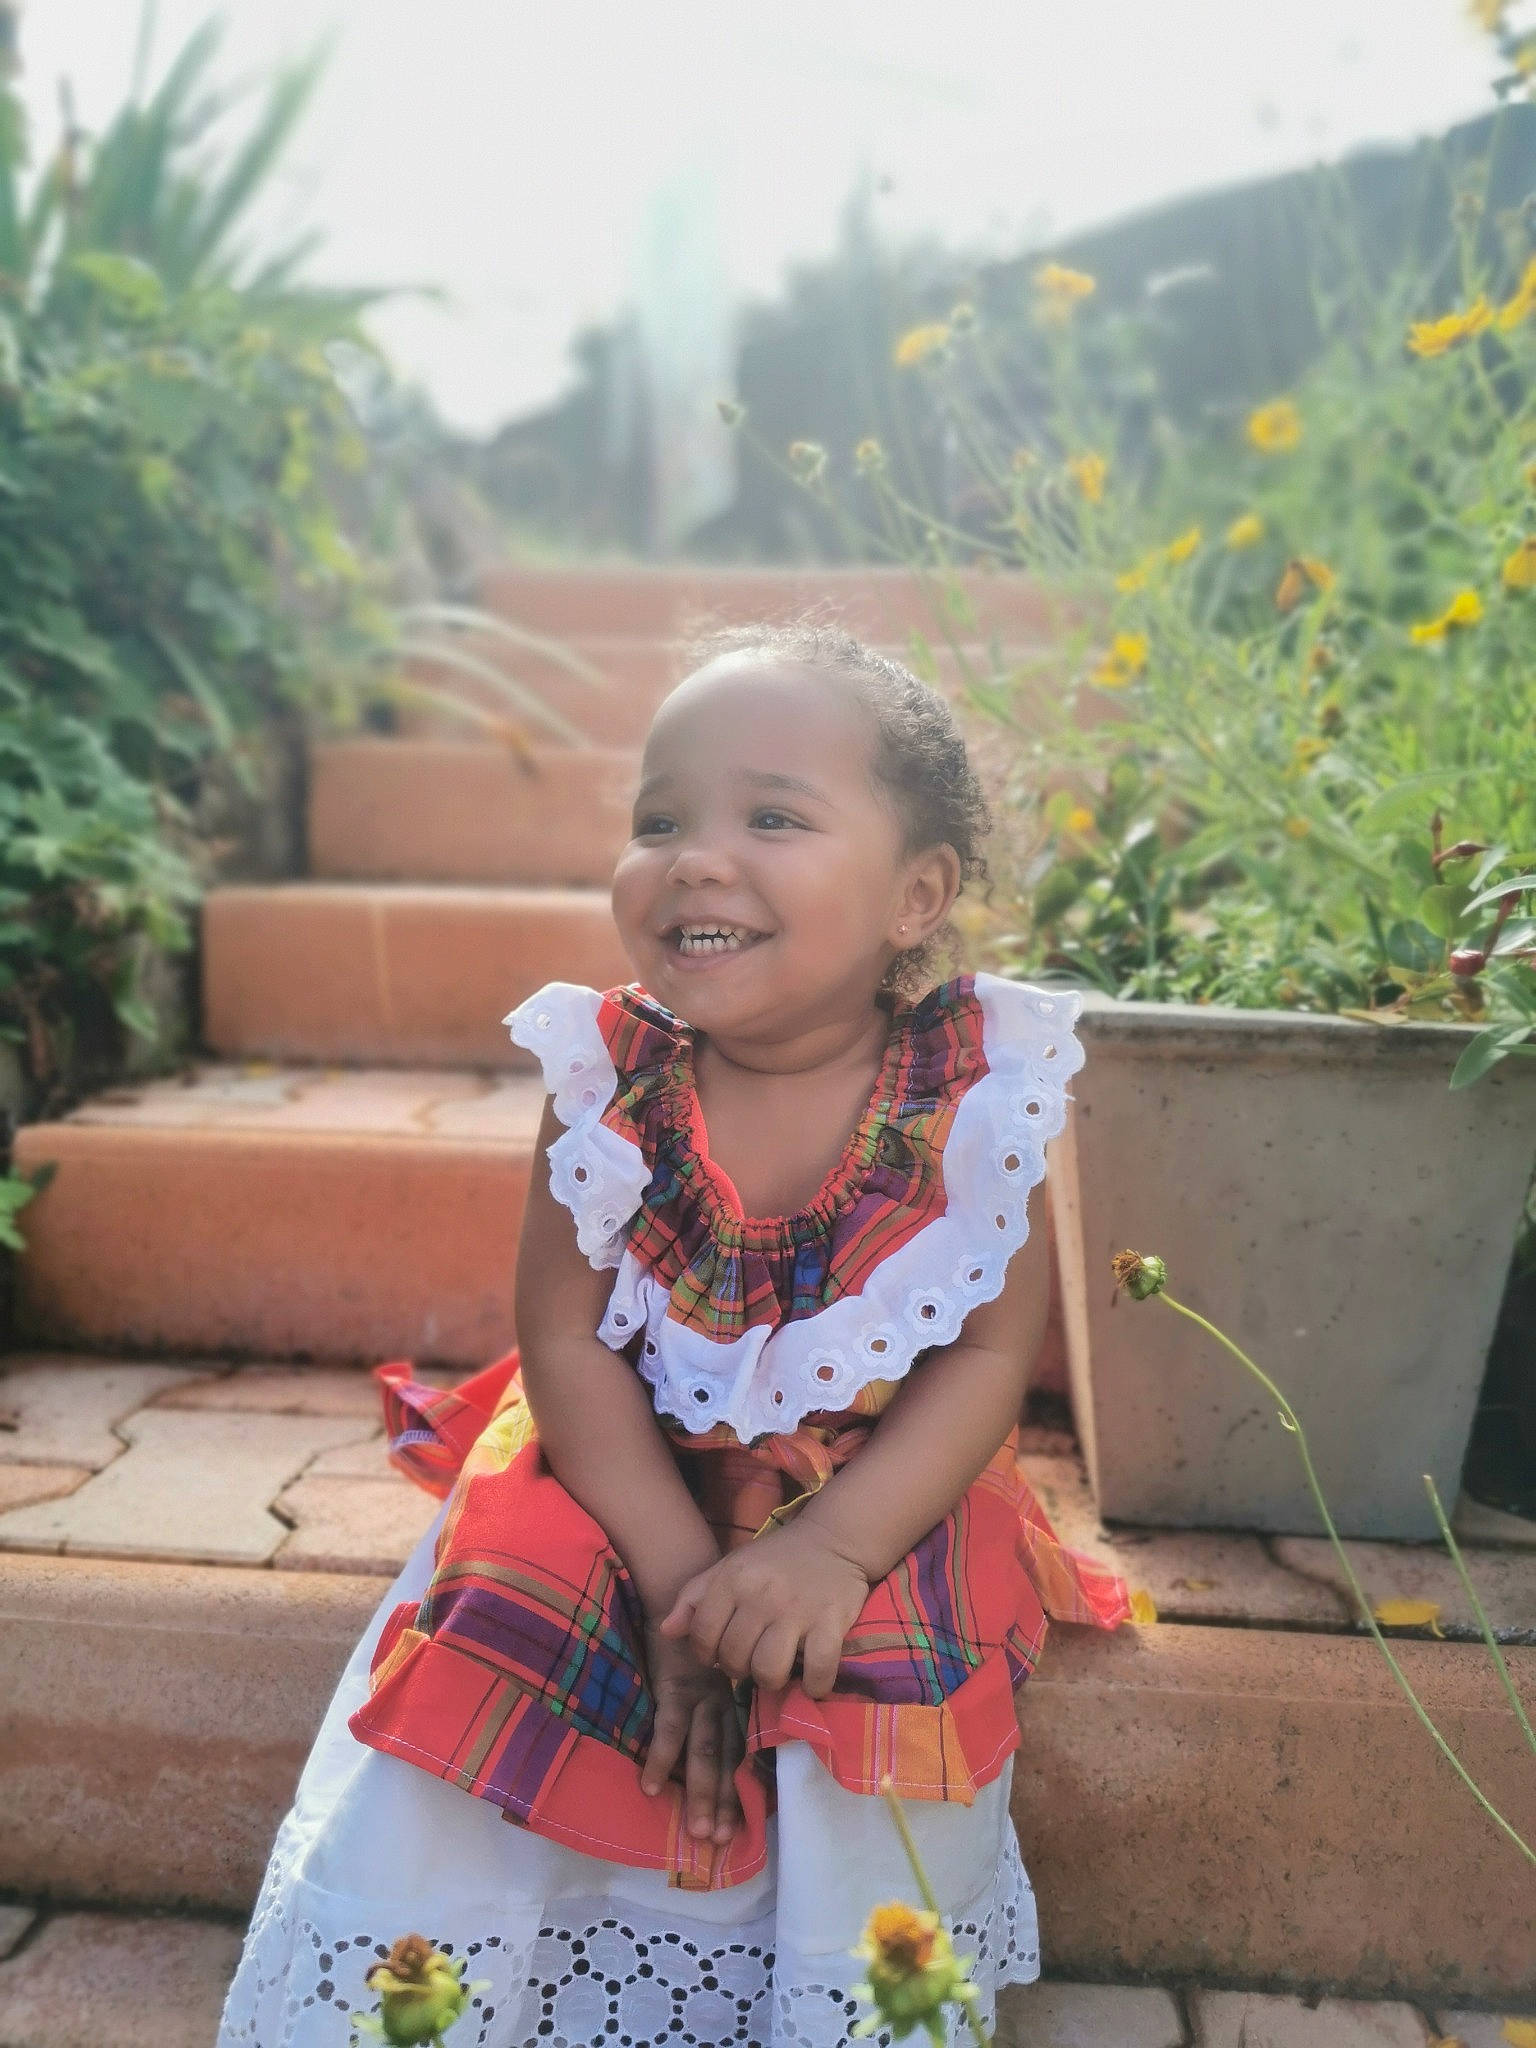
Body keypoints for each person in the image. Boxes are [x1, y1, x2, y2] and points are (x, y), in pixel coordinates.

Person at [216, 624, 1129, 2048]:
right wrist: (674, 1576)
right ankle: (446, 1987)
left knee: (882, 1660)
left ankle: (847, 1991)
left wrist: (829, 1550)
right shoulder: (610, 1082)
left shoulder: (978, 1100)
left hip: (866, 1482)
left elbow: (986, 1363)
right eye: (660, 820)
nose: (695, 856)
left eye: (772, 816)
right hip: (623, 1459)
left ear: (918, 893)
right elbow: (566, 1346)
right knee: (513, 1596)